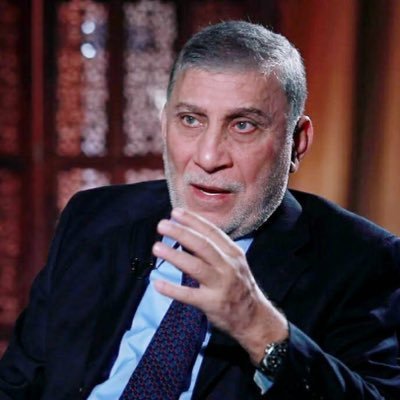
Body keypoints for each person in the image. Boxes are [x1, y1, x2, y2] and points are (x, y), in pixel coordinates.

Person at [0, 20, 399, 400]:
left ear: (297, 142)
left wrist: (258, 326)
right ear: (164, 124)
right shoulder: (94, 217)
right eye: (190, 120)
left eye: (243, 125)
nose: (208, 158)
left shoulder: (363, 261)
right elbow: (17, 383)